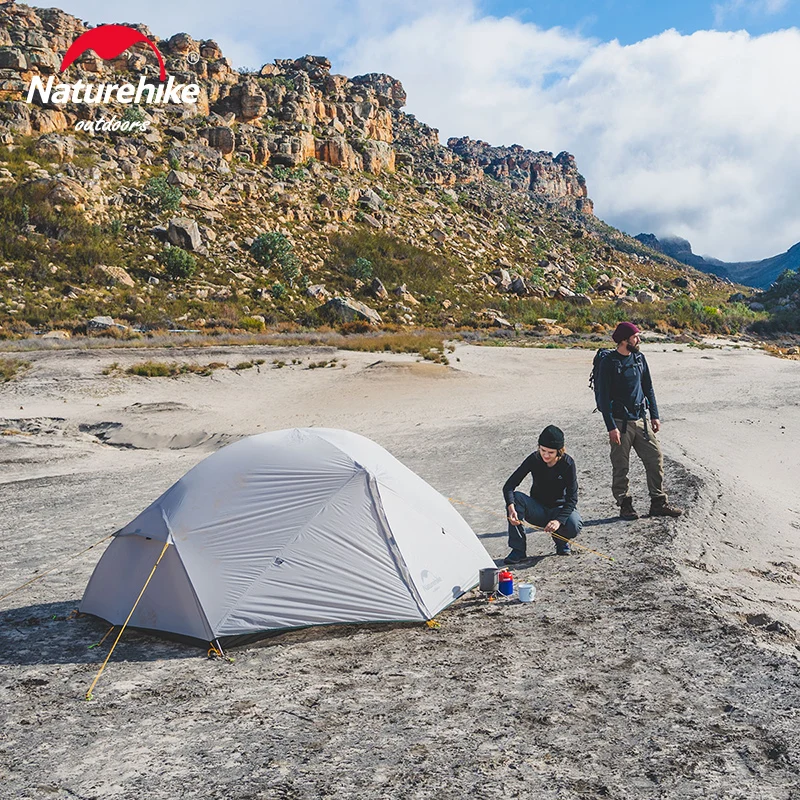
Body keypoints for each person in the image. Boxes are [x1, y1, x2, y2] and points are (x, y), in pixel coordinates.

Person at [598, 321, 683, 520]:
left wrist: (655, 415)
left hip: (640, 420)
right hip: (619, 422)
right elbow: (603, 397)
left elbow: (648, 388)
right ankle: (625, 504)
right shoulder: (608, 362)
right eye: (635, 337)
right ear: (624, 340)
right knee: (621, 465)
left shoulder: (639, 358)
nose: (639, 340)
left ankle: (658, 502)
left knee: (655, 458)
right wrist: (611, 427)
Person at [502, 424, 583, 563]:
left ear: (559, 451)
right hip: (538, 510)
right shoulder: (534, 459)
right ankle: (518, 550)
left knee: (574, 525)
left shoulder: (568, 464)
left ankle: (561, 541)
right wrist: (511, 508)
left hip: (559, 510)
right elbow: (509, 486)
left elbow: (572, 498)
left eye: (550, 452)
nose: (545, 455)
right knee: (515, 498)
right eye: (542, 450)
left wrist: (558, 521)